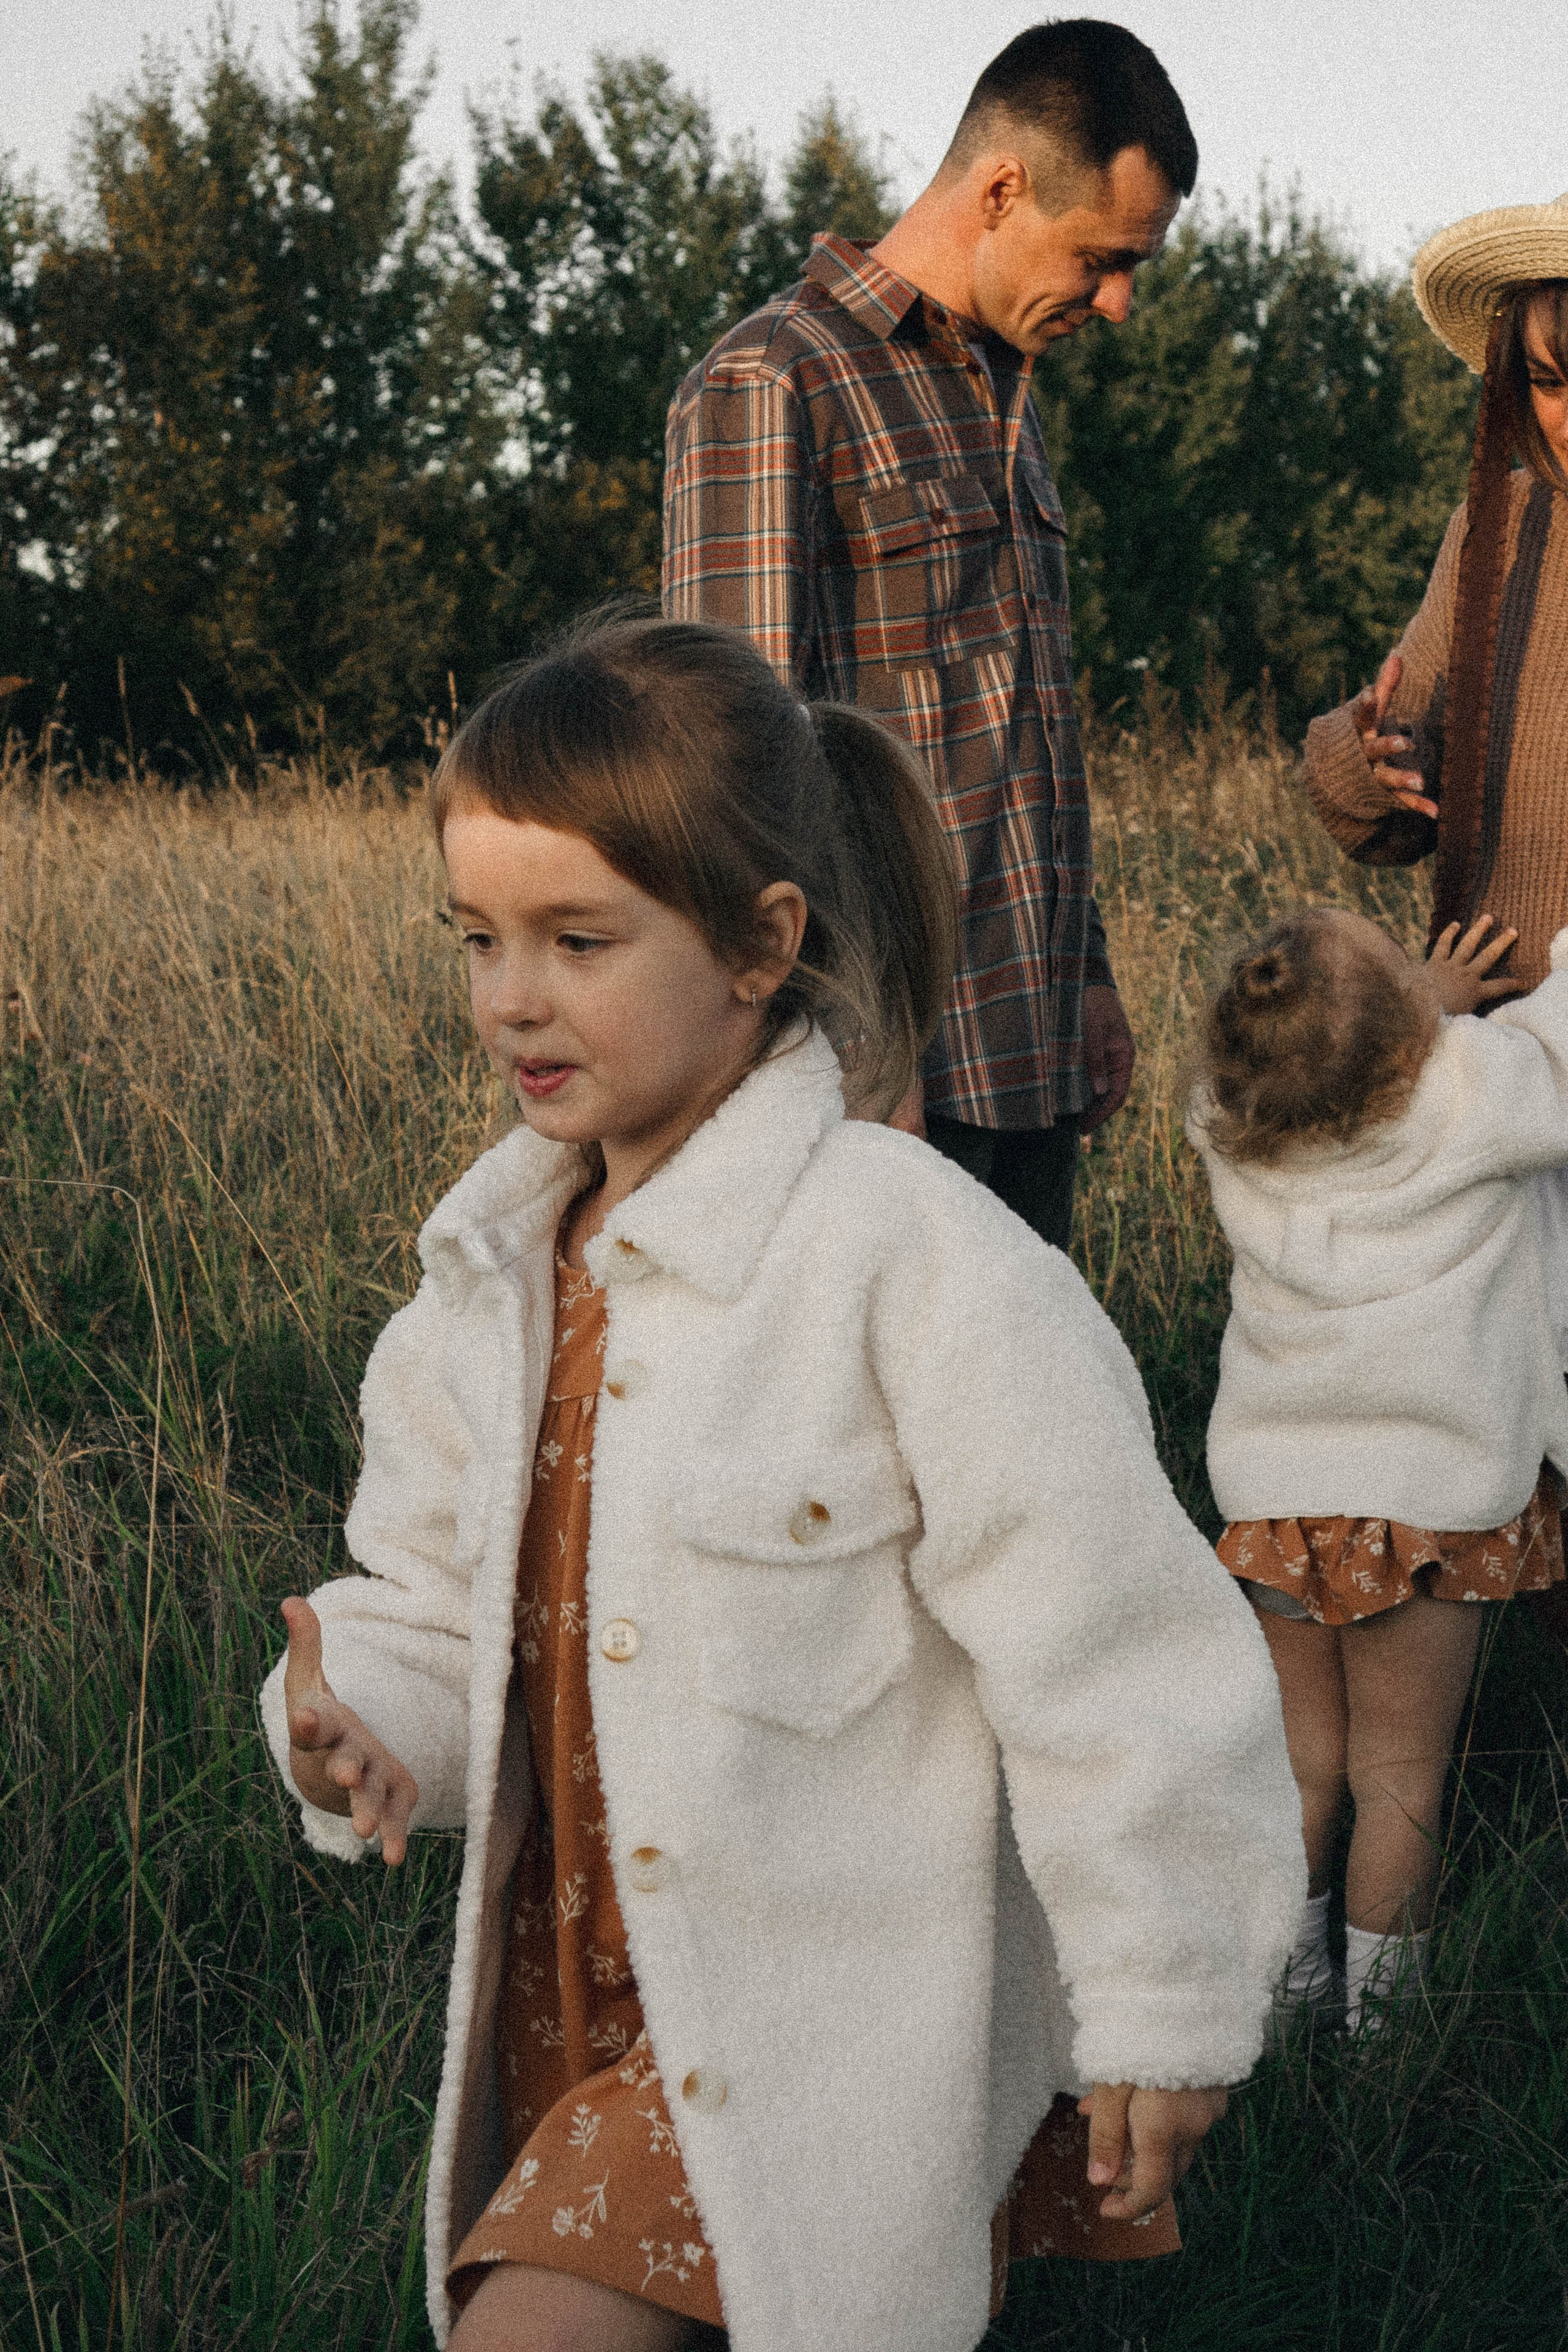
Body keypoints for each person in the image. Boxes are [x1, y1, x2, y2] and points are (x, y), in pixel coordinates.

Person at [260, 614, 1302, 2352]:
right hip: (576, 1999)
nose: (513, 995)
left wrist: (1163, 1999)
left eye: (579, 939)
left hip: (832, 2013)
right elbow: (429, 1605)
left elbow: (1117, 1654)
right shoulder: (483, 1287)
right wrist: (367, 1715)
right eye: (480, 940)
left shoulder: (918, 1266)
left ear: (762, 946)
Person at [663, 20, 1198, 1251]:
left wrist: (1088, 974)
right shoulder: (772, 379)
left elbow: (1022, 732)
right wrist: (855, 1038)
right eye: (1104, 258)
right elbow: (731, 764)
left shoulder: (1005, 403)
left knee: (1017, 1431)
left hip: (1031, 1051)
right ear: (1001, 188)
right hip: (884, 1082)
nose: (1116, 304)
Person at [1189, 907, 1568, 2035]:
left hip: (1277, 1510)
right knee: (1398, 1779)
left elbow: (1346, 1076)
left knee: (1303, 1777)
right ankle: (1383, 2040)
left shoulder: (1234, 1123)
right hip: (1423, 1510)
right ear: (1410, 1044)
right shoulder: (1469, 1102)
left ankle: (1285, 2000)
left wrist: (1413, 1011)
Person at [1302, 192, 1568, 1656]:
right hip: (1499, 1063)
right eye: (1543, 375)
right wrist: (1363, 755)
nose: (1566, 409)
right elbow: (1383, 755)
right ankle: (1499, 1774)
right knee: (1506, 1412)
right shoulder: (1502, 521)